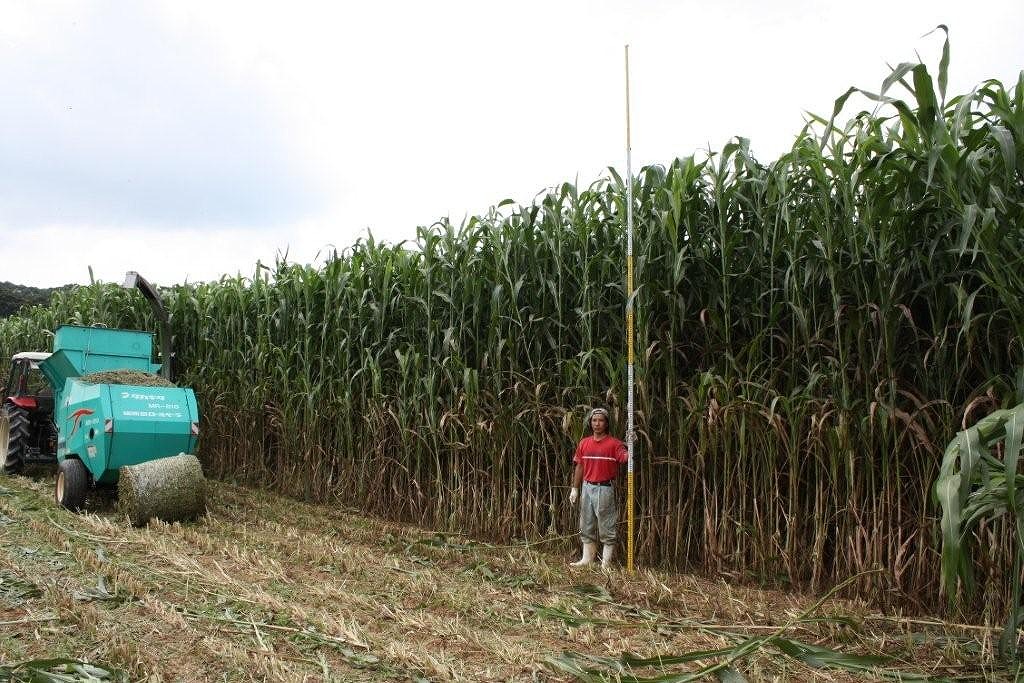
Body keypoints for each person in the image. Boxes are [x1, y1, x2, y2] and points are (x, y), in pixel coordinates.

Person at [568, 407, 628, 568]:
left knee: (606, 525)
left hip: (604, 488)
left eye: (601, 420)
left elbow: (625, 459)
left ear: (606, 423)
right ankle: (587, 559)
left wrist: (630, 445)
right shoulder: (584, 443)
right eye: (594, 420)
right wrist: (575, 488)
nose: (597, 423)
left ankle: (605, 564)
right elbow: (580, 466)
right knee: (586, 523)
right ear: (590, 422)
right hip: (587, 487)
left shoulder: (615, 444)